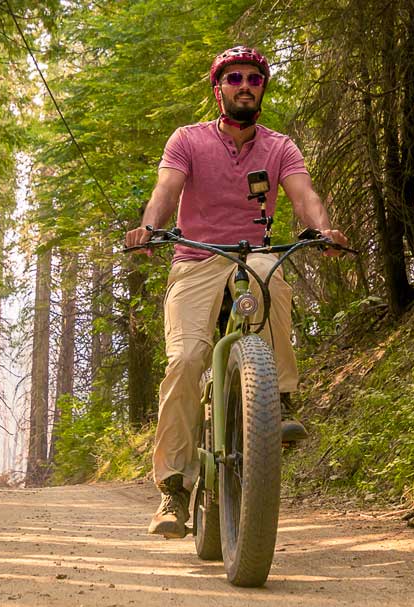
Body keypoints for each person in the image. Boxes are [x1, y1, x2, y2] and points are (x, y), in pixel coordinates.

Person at [120, 46, 349, 539]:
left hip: (252, 254)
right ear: (218, 88)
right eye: (235, 79)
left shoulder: (280, 146)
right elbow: (165, 190)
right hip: (196, 259)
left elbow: (305, 196)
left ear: (261, 88)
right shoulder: (187, 140)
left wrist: (324, 230)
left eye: (253, 79)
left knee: (273, 278)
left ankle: (279, 399)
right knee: (185, 360)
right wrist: (148, 228)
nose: (245, 86)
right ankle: (174, 488)